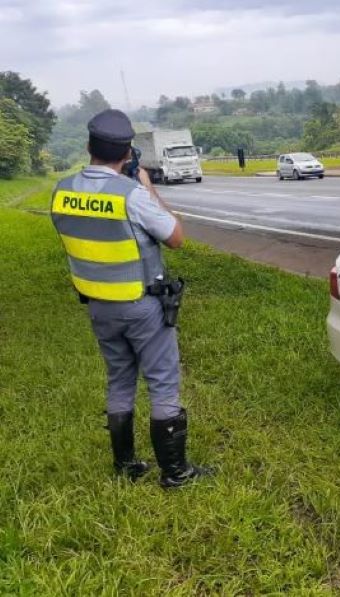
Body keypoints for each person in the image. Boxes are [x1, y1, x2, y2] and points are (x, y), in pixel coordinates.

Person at [50, 109, 209, 488]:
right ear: (127, 153)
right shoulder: (130, 195)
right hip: (142, 305)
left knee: (119, 379)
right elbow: (175, 237)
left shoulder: (63, 191)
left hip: (99, 306)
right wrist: (146, 186)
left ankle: (126, 465)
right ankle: (176, 472)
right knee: (162, 382)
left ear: (89, 146)